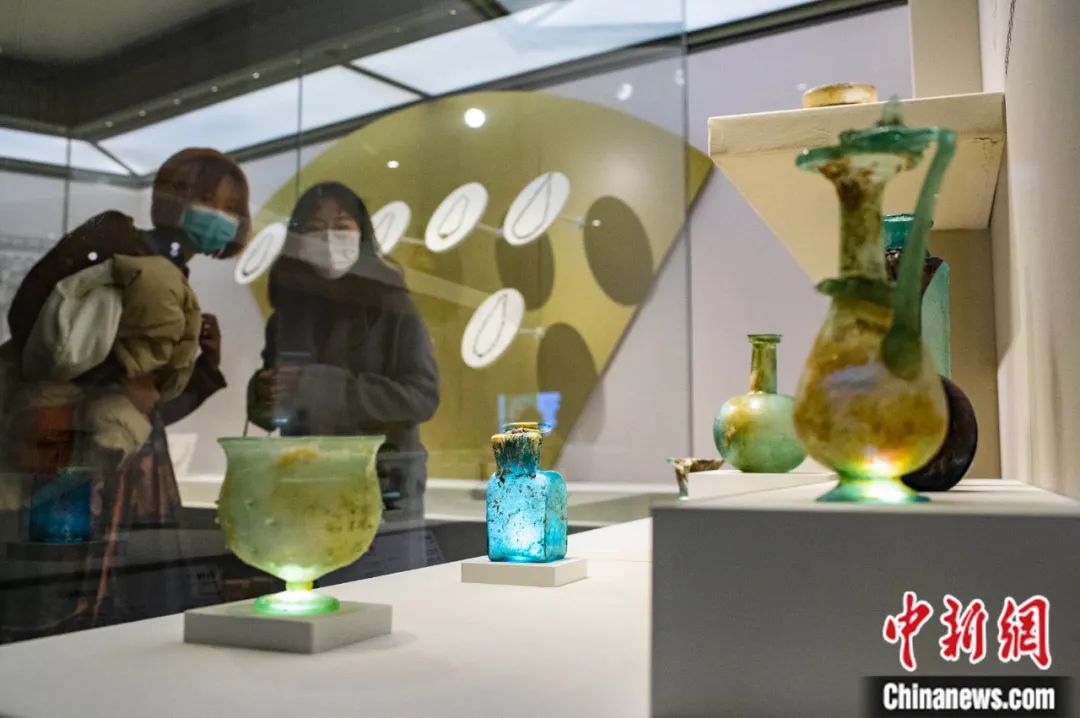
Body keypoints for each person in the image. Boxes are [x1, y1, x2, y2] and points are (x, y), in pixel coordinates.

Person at [1, 147, 250, 636]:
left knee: (128, 616)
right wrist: (120, 373)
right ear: (169, 195)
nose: (217, 215)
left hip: (125, 465)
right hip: (71, 454)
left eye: (230, 207)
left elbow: (147, 409)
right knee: (61, 604)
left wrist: (201, 369)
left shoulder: (170, 274)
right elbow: (33, 322)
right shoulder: (117, 242)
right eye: (203, 198)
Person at [247, 182, 438, 518]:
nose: (328, 237)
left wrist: (318, 386)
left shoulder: (392, 305)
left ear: (361, 234)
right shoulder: (287, 316)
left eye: (341, 226)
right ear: (298, 241)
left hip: (383, 486)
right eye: (315, 227)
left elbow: (422, 396)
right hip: (306, 483)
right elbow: (276, 410)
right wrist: (265, 393)